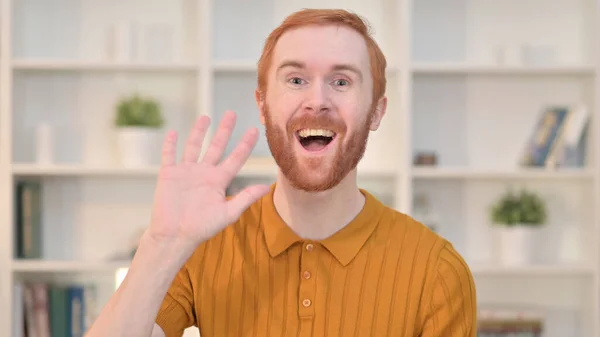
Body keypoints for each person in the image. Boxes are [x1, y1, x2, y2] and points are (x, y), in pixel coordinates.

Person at [85, 8, 477, 337]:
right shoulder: (203, 245)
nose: (317, 101)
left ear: (376, 111)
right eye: (296, 80)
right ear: (263, 105)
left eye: (341, 81)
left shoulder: (437, 272)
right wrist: (160, 243)